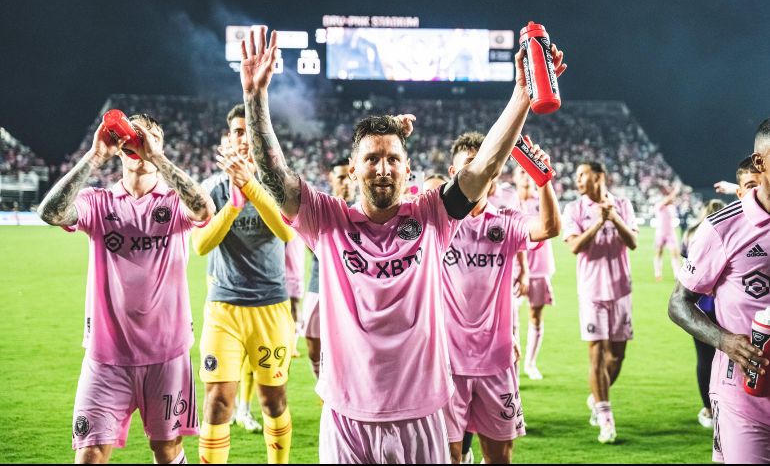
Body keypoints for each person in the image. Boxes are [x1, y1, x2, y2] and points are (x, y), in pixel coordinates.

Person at [238, 26, 566, 462]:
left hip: (421, 417)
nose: (383, 167)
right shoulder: (328, 222)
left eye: (393, 158)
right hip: (347, 419)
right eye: (371, 159)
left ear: (407, 171)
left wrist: (524, 92)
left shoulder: (431, 216)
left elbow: (484, 166)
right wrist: (255, 97)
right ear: (353, 170)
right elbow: (274, 176)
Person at [37, 114, 215, 464]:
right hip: (106, 357)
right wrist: (95, 155)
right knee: (89, 454)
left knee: (166, 450)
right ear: (121, 146)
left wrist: (158, 158)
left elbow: (204, 209)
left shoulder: (172, 202)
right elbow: (50, 213)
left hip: (167, 353)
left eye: (151, 137)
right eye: (134, 136)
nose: (141, 141)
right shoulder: (98, 202)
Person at [441, 133, 560, 464]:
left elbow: (549, 227)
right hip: (447, 362)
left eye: (487, 165)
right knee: (447, 454)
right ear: (454, 172)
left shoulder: (506, 219)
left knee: (499, 457)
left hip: (496, 361)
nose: (480, 174)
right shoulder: (439, 222)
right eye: (470, 166)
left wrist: (542, 179)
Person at [192, 104, 295, 464]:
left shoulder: (280, 185)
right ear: (229, 138)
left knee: (273, 400)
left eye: (249, 131)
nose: (243, 137)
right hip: (224, 308)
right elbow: (202, 245)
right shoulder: (212, 189)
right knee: (218, 399)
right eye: (237, 131)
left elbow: (286, 231)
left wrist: (250, 185)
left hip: (271, 307)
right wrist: (233, 205)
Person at [669, 119, 770, 464]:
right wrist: (726, 341)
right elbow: (679, 303)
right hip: (743, 395)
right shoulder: (723, 227)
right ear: (760, 162)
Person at [563, 161, 638, 444]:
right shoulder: (574, 209)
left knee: (616, 356)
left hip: (621, 290)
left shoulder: (623, 204)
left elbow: (632, 242)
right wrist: (598, 222)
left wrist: (614, 218)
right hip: (592, 291)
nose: (578, 179)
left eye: (582, 174)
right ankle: (607, 420)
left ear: (599, 176)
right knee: (595, 355)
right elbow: (574, 246)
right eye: (577, 175)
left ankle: (596, 398)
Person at [303, 158, 356, 381]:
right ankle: (321, 382)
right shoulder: (321, 210)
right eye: (341, 177)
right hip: (319, 284)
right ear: (331, 178)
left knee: (350, 344)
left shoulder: (363, 211)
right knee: (312, 339)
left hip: (352, 290)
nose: (346, 182)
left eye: (349, 177)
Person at [681, 199, 726, 429]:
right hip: (724, 306)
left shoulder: (692, 234)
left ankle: (708, 409)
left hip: (699, 305)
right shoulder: (729, 230)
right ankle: (726, 407)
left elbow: (686, 271)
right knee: (730, 359)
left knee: (704, 360)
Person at [512, 164, 557, 381]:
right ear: (514, 177)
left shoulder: (543, 199)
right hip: (513, 269)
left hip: (540, 268)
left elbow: (554, 226)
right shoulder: (510, 202)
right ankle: (513, 363)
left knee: (535, 316)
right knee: (509, 319)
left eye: (529, 172)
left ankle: (530, 363)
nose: (527, 176)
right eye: (522, 172)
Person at [654, 184, 681, 281]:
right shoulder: (659, 205)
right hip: (660, 233)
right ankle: (658, 274)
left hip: (670, 233)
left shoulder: (672, 207)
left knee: (675, 254)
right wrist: (676, 190)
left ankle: (677, 275)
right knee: (658, 253)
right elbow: (669, 198)